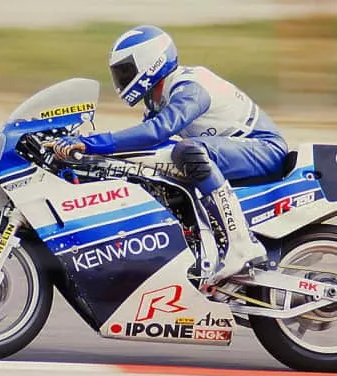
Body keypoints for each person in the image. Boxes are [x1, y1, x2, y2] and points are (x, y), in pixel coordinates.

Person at [48, 25, 288, 290]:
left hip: (264, 149)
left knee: (188, 152)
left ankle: (243, 247)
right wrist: (83, 155)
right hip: (235, 151)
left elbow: (157, 131)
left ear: (151, 62)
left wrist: (91, 144)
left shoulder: (191, 87)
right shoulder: (159, 98)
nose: (120, 79)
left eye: (125, 70)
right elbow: (141, 146)